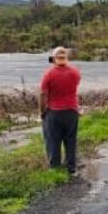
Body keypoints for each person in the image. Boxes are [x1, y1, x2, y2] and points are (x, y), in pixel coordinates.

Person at [39, 46, 82, 175]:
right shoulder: (75, 73)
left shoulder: (49, 74)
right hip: (72, 111)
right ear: (66, 58)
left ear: (53, 59)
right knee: (70, 140)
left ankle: (55, 168)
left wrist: (42, 111)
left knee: (53, 141)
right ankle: (71, 168)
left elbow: (42, 94)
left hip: (54, 112)